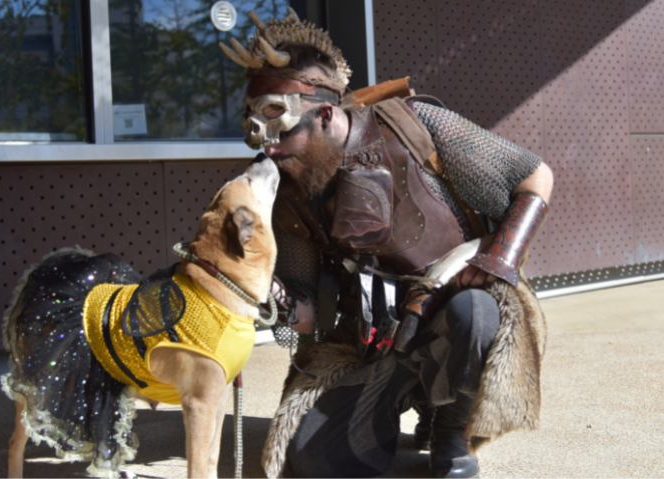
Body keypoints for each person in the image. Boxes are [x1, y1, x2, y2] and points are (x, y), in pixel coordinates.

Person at [221, 8, 553, 478]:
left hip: (455, 308)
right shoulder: (290, 190)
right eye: (257, 128)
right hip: (369, 342)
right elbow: (310, 313)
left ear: (326, 114)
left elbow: (535, 177)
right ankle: (385, 407)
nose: (268, 149)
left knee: (476, 314)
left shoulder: (415, 126)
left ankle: (450, 428)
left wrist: (501, 258)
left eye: (281, 128)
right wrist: (263, 293)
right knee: (315, 460)